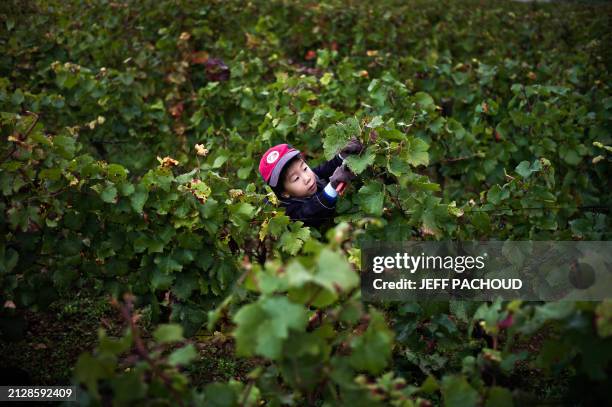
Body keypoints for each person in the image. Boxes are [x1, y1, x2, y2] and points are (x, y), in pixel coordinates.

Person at [258, 138, 364, 228]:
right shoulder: (290, 213)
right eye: (296, 179)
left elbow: (325, 170)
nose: (307, 178)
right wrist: (333, 186)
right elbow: (310, 212)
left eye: (304, 168)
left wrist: (342, 156)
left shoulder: (310, 176)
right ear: (284, 193)